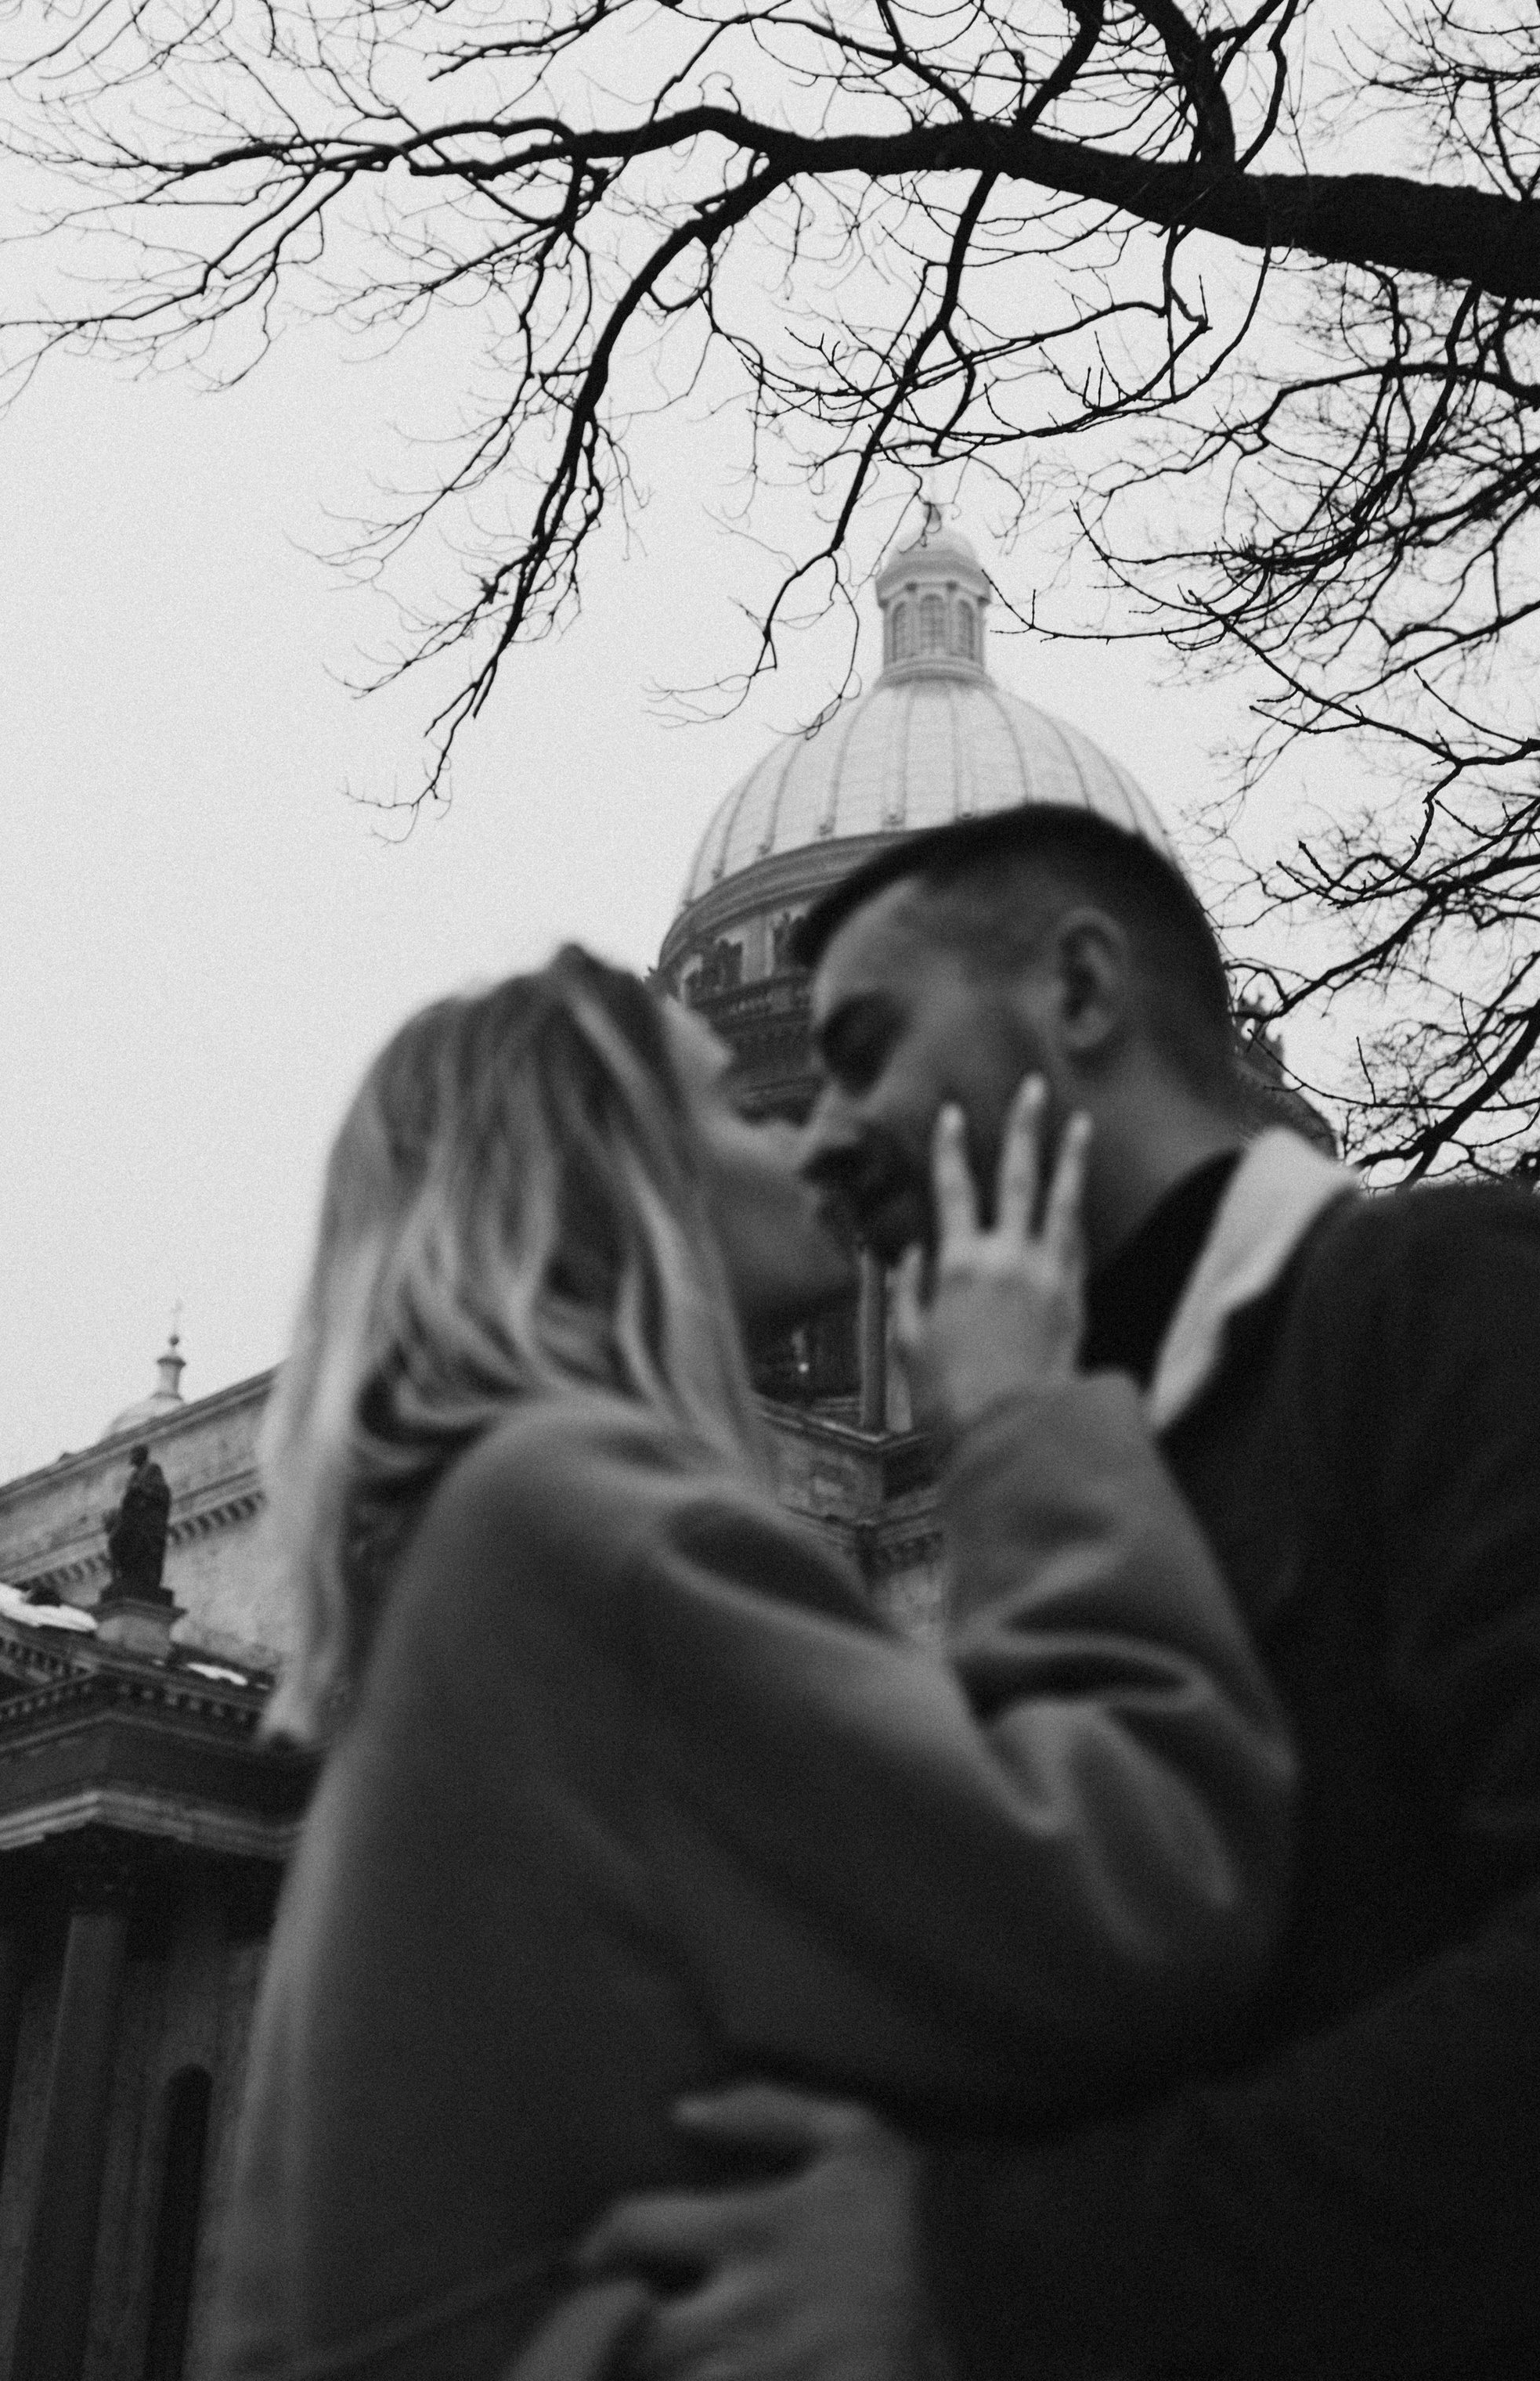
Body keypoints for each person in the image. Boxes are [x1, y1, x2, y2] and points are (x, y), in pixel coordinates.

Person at [580, 805, 1540, 2380]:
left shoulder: (1454, 1298)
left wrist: (973, 2264)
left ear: (1078, 991)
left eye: (865, 1045)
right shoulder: (1059, 1475)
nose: (825, 1138)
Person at [213, 944, 1294, 2381]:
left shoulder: (478, 1543)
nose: (813, 1140)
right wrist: (1029, 1406)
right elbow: (1151, 1892)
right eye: (743, 1107)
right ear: (622, 1179)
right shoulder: (583, 1530)